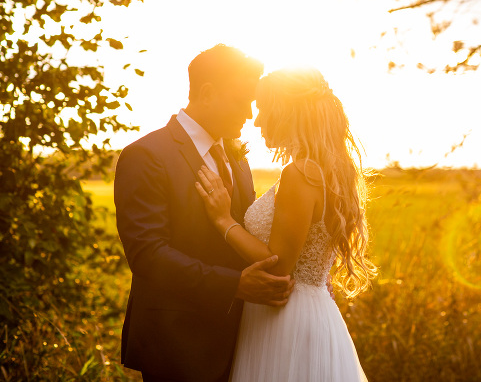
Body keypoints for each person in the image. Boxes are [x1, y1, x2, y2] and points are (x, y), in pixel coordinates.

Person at [114, 45, 294, 382]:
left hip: (242, 338)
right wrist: (235, 286)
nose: (249, 113)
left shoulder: (237, 158)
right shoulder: (147, 155)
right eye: (243, 100)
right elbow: (147, 254)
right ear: (208, 94)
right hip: (177, 342)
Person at [195, 67, 376, 382]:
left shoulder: (301, 173)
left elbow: (278, 265)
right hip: (314, 309)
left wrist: (224, 220)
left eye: (264, 109)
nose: (258, 120)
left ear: (286, 112)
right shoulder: (333, 170)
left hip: (286, 318)